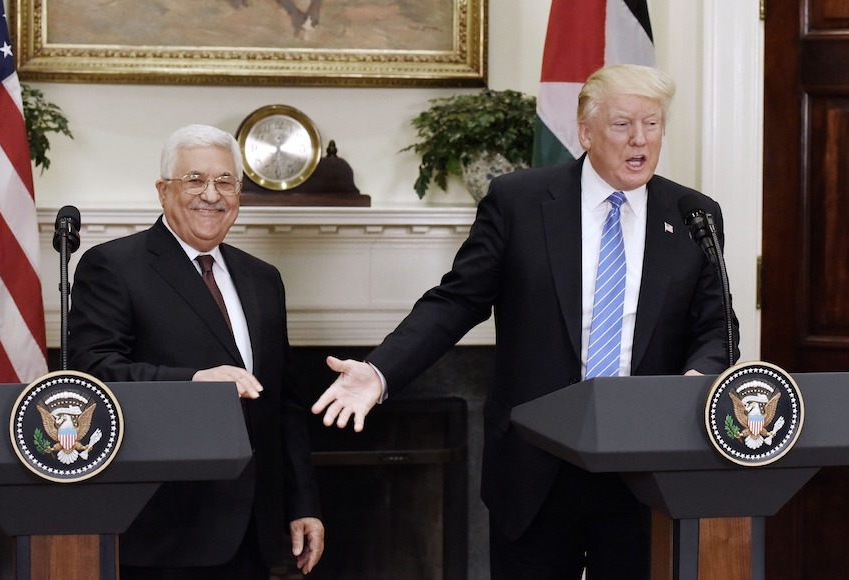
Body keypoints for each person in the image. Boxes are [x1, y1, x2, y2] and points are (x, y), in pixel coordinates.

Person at [312, 64, 738, 579]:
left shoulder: (692, 213)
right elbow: (455, 302)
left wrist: (697, 381)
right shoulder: (520, 201)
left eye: (653, 124)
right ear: (586, 131)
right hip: (537, 465)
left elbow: (716, 328)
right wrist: (380, 372)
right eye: (623, 124)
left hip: (643, 467)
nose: (640, 140)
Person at [69, 124, 324, 579]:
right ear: (163, 191)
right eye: (195, 180)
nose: (212, 194)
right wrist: (192, 383)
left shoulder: (263, 278)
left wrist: (302, 503)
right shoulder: (112, 266)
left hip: (254, 533)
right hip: (160, 533)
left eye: (225, 181)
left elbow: (283, 403)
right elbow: (94, 375)